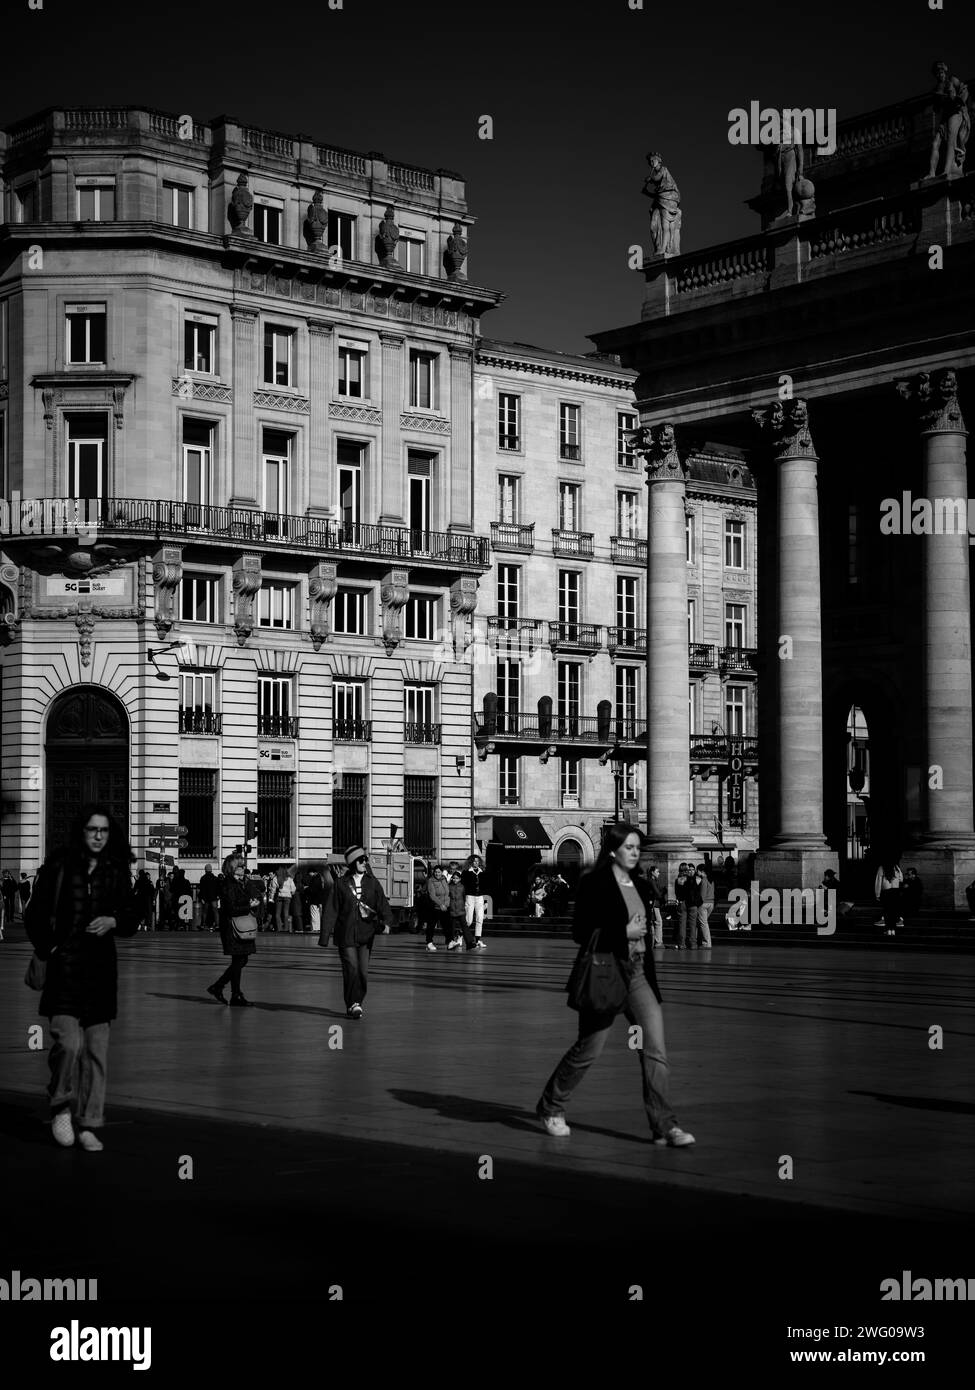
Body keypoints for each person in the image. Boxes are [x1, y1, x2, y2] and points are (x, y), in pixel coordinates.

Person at [536, 823, 695, 1147]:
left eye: (638, 847)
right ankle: (552, 1104)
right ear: (613, 850)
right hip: (606, 970)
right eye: (630, 847)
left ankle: (664, 1125)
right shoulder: (595, 883)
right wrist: (622, 932)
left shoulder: (640, 883)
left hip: (637, 974)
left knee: (655, 1050)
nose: (636, 853)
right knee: (588, 1049)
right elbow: (580, 932)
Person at [24, 804, 140, 1152]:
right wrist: (50, 948)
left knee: (96, 1053)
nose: (99, 836)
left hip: (100, 974)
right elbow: (35, 916)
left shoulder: (116, 871)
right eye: (93, 830)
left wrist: (114, 921)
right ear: (82, 831)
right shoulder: (59, 867)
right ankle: (60, 1103)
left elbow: (133, 915)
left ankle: (89, 1122)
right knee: (68, 1044)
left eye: (104, 830)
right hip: (64, 973)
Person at [320, 846, 393, 1019]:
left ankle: (357, 1001)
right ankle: (352, 1004)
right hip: (345, 934)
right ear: (353, 863)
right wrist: (324, 936)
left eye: (365, 859)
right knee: (351, 968)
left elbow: (382, 904)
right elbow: (331, 910)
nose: (364, 862)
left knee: (363, 972)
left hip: (366, 933)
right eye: (360, 860)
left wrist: (388, 922)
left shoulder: (372, 882)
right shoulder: (341, 884)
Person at [207, 854, 261, 1007]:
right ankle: (226, 990)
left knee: (241, 959)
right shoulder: (228, 884)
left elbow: (251, 895)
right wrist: (249, 906)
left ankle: (228, 991)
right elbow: (230, 909)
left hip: (240, 925)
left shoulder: (242, 882)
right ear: (231, 868)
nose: (243, 868)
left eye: (243, 866)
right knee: (240, 960)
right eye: (240, 866)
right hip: (232, 927)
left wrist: (253, 901)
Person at [462, 854, 488, 949]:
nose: (476, 863)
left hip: (480, 897)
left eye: (477, 861)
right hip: (470, 897)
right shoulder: (466, 872)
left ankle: (477, 940)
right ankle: (460, 935)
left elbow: (485, 887)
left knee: (480, 919)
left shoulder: (482, 873)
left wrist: (486, 900)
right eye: (474, 861)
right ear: (471, 862)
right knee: (468, 920)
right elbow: (463, 887)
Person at [874, 857, 904, 936]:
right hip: (895, 891)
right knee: (893, 911)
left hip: (886, 891)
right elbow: (901, 879)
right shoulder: (896, 867)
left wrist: (877, 894)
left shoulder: (882, 868)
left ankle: (888, 929)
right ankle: (893, 929)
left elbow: (878, 881)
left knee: (887, 911)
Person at [425, 864, 450, 951]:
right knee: (431, 925)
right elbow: (432, 895)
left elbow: (447, 893)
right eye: (435, 872)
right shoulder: (431, 881)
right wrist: (440, 904)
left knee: (446, 925)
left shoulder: (444, 879)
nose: (437, 874)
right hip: (434, 907)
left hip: (444, 907)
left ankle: (449, 942)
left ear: (442, 872)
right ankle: (429, 942)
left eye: (439, 872)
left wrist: (446, 904)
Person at [446, 869, 473, 951]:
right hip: (452, 910)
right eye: (454, 878)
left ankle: (469, 943)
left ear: (460, 879)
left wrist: (464, 906)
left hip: (461, 910)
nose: (455, 880)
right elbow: (447, 897)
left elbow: (464, 897)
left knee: (465, 927)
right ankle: (450, 942)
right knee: (451, 928)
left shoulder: (462, 887)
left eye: (457, 878)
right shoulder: (449, 887)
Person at [693, 863, 714, 948]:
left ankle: (706, 943)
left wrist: (697, 904)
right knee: (702, 923)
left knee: (703, 923)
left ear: (701, 871)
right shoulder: (711, 879)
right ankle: (699, 940)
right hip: (711, 903)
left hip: (704, 904)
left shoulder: (704, 880)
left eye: (697, 870)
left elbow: (702, 895)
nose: (696, 872)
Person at [646, 865, 666, 948]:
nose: (659, 873)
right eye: (657, 871)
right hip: (654, 904)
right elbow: (657, 894)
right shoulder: (652, 881)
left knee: (654, 923)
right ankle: (658, 942)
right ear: (652, 872)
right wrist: (664, 891)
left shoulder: (652, 880)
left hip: (653, 904)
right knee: (658, 922)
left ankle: (653, 942)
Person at [198, 864, 221, 933]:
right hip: (214, 897)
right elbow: (218, 888)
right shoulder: (215, 878)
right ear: (211, 870)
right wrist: (218, 895)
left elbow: (201, 889)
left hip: (206, 898)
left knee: (205, 912)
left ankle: (203, 924)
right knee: (215, 912)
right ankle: (217, 925)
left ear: (205, 870)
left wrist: (202, 897)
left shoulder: (203, 878)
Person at [275, 865, 298, 933]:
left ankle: (279, 928)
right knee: (286, 913)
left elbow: (274, 887)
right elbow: (293, 889)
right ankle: (286, 928)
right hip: (287, 897)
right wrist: (291, 893)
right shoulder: (290, 879)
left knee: (277, 913)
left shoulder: (277, 878)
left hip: (279, 896)